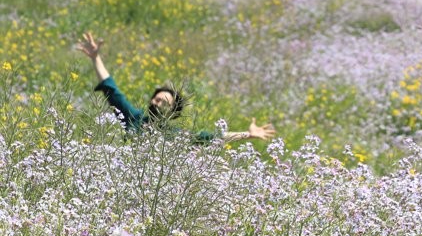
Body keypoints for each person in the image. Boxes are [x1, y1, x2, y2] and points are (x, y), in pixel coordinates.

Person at [76, 32, 275, 144]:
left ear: (172, 112)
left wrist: (247, 134)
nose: (157, 101)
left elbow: (210, 137)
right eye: (156, 98)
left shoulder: (174, 135)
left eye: (163, 101)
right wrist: (96, 58)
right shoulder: (134, 118)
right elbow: (112, 89)